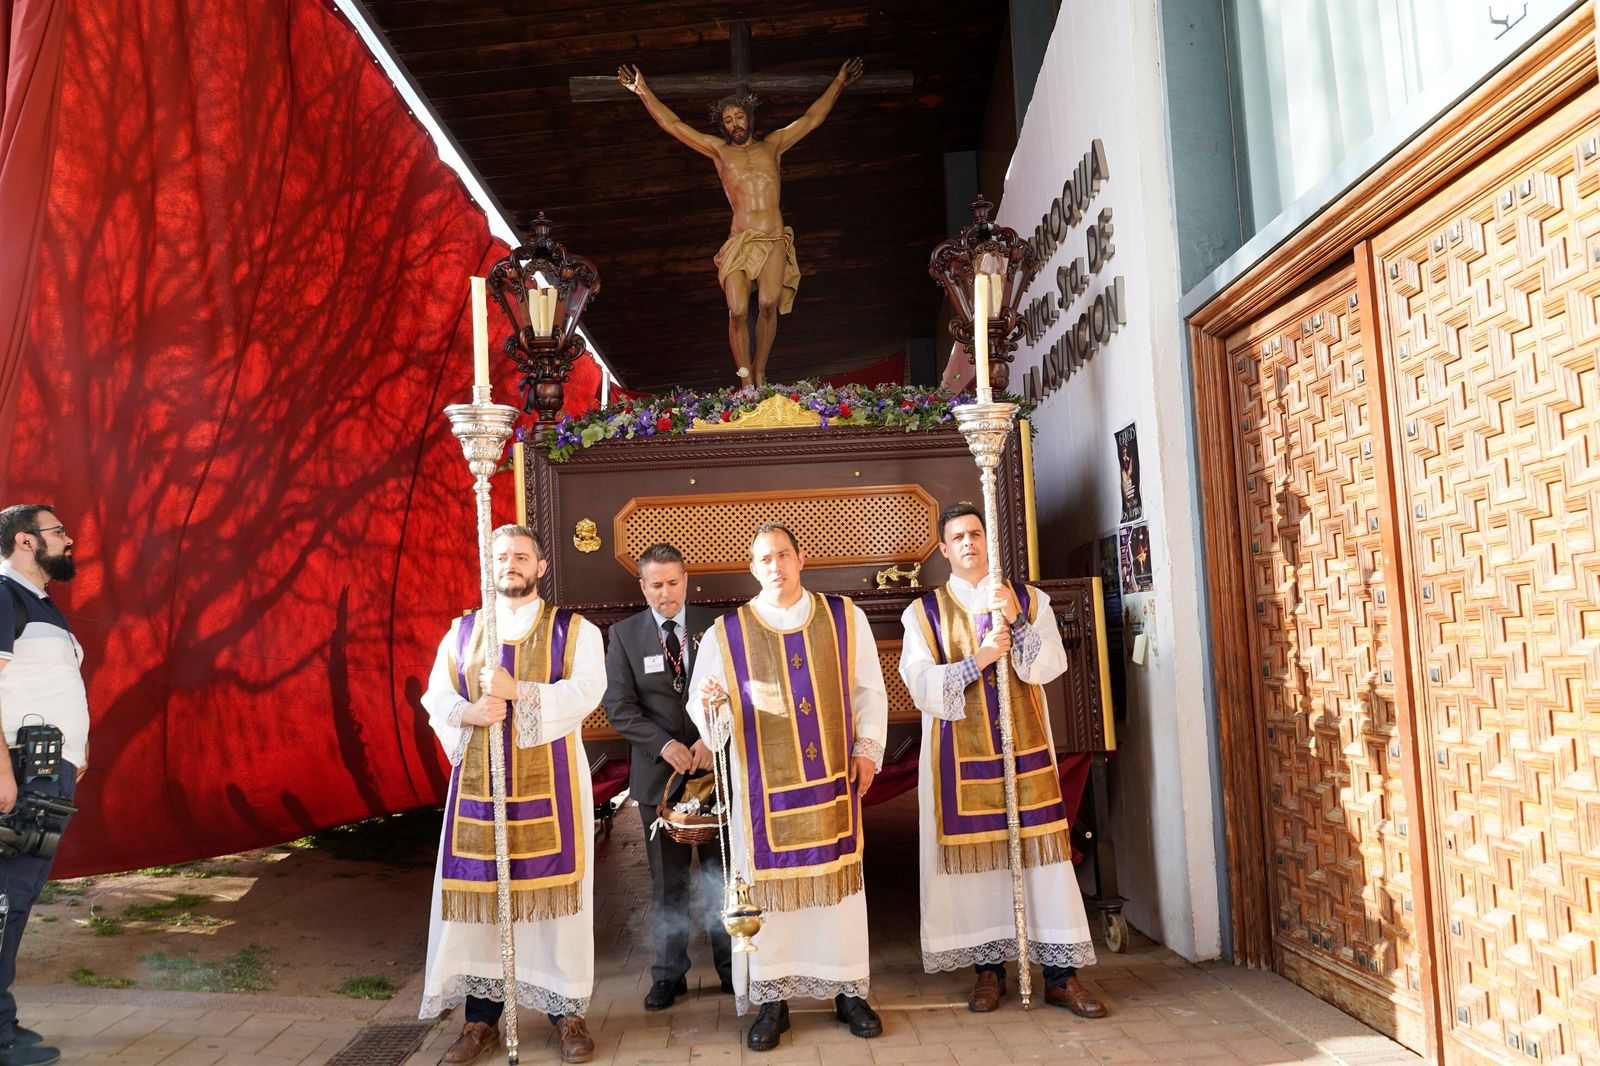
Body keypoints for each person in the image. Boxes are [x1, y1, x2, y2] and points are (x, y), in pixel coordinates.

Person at [898, 503, 1108, 1018]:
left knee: (1045, 865)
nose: (968, 542)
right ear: (943, 550)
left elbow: (1050, 666)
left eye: (975, 533)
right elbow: (921, 685)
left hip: (1026, 756)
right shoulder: (923, 612)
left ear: (988, 540)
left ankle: (1061, 976)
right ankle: (989, 972)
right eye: (957, 537)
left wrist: (1015, 621)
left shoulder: (1027, 599)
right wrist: (979, 659)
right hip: (960, 764)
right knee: (981, 869)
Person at [686, 523, 888, 1052]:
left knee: (839, 892)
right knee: (770, 897)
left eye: (783, 555)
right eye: (763, 559)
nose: (774, 566)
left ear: (801, 559)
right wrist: (712, 703)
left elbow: (869, 688)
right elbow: (710, 719)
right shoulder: (725, 634)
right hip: (763, 795)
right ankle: (773, 1001)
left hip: (832, 786)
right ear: (752, 569)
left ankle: (848, 991)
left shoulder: (846, 617)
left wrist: (868, 748)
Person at [419, 525, 606, 1065]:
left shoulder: (575, 631)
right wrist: (469, 712)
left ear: (541, 567)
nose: (510, 564)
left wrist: (517, 692)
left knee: (554, 905)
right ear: (489, 565)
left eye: (521, 556)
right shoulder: (462, 632)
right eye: (501, 557)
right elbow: (437, 695)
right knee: (484, 904)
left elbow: (588, 691)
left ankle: (566, 1014)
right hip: (479, 794)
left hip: (551, 791)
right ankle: (480, 1021)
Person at [618, 59, 863, 386]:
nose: (734, 123)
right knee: (736, 312)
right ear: (723, 127)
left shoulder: (773, 145)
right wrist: (642, 91)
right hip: (740, 241)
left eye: (738, 116)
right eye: (728, 120)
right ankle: (746, 379)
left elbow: (811, 118)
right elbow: (674, 125)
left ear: (750, 119)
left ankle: (760, 371)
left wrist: (839, 82)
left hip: (773, 238)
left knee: (767, 303)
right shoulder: (719, 151)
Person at [602, 543, 733, 1011]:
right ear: (642, 586)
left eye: (673, 583)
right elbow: (619, 706)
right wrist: (664, 744)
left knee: (723, 876)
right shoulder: (624, 635)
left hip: (714, 769)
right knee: (667, 881)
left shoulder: (717, 628)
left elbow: (734, 689)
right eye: (655, 585)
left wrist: (708, 738)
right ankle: (668, 974)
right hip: (658, 778)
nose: (666, 594)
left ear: (686, 580)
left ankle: (732, 969)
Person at [0, 505, 86, 1066]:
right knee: (6, 896)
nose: (70, 538)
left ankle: (1, 1020)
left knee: (18, 894)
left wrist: (80, 745)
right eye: (58, 532)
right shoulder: (3, 593)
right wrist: (0, 773)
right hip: (22, 769)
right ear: (26, 541)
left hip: (47, 767)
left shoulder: (40, 602)